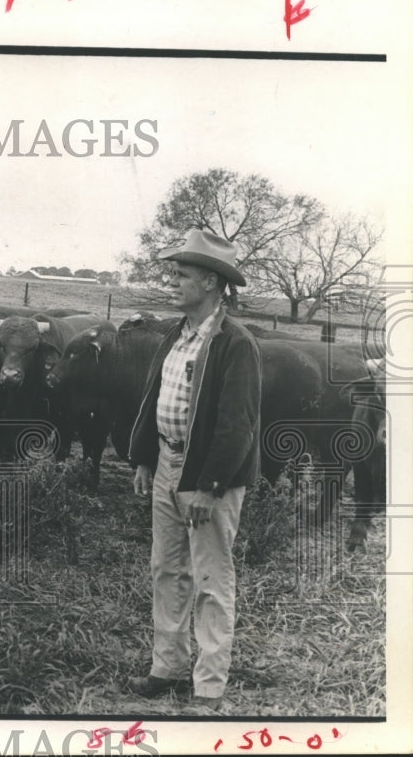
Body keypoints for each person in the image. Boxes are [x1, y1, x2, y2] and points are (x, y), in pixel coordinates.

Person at [127, 229, 262, 712]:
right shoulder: (176, 334)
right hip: (167, 462)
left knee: (210, 577)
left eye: (181, 275)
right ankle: (166, 668)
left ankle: (208, 684)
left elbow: (237, 425)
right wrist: (146, 457)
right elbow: (154, 399)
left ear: (209, 282)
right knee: (167, 569)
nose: (173, 282)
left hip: (208, 477)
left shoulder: (235, 343)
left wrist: (210, 485)